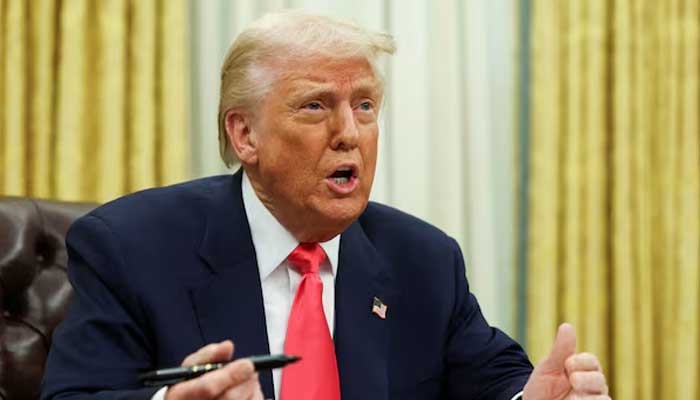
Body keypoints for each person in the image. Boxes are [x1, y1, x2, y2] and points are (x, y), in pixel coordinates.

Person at [41, 11, 609, 400]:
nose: (350, 134)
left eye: (365, 106)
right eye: (315, 107)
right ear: (245, 136)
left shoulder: (423, 260)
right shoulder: (131, 247)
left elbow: (502, 382)